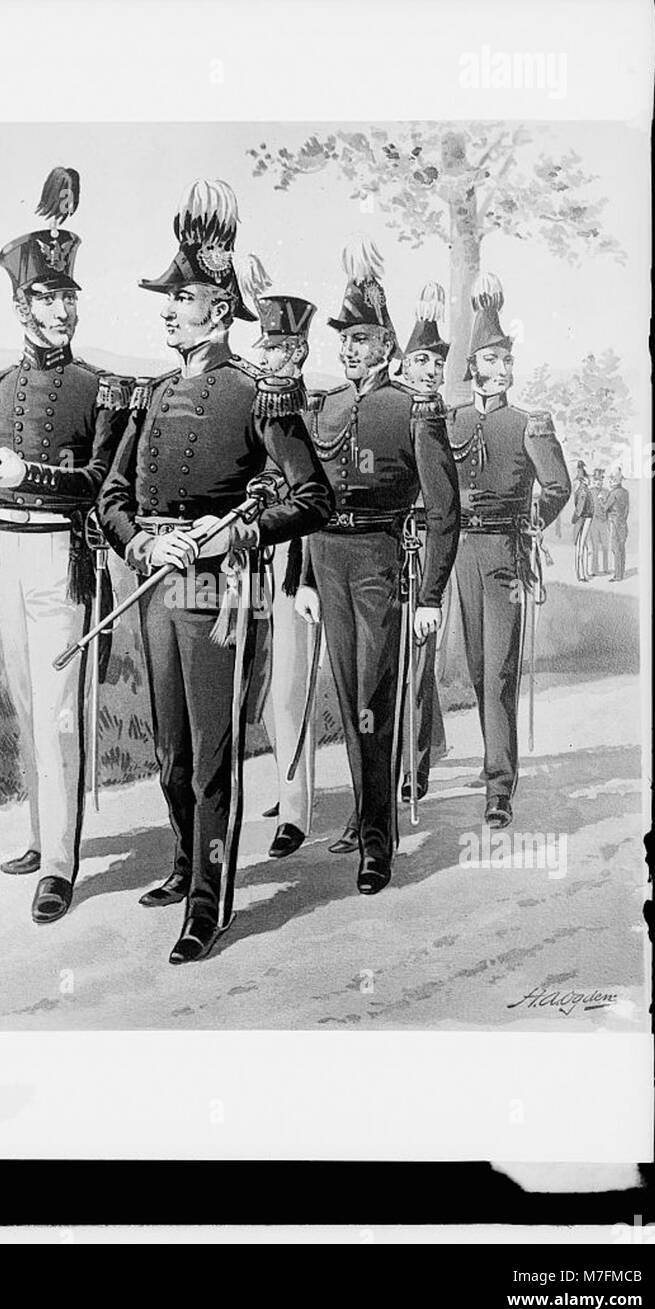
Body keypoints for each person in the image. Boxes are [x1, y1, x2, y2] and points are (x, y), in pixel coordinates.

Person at [97, 179, 333, 964]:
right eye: (168, 297)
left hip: (221, 586)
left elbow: (312, 497)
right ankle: (182, 862)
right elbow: (113, 497)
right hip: (154, 583)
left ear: (221, 308)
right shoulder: (153, 392)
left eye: (185, 296)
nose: (169, 309)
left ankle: (209, 901)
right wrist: (139, 544)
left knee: (211, 751)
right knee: (168, 748)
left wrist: (225, 538)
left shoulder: (258, 396)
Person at [0, 166, 133, 925]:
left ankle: (60, 863)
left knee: (60, 714)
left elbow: (97, 481)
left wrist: (34, 472)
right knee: (27, 706)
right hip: (3, 551)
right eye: (48, 298)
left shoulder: (101, 388)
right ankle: (38, 835)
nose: (62, 311)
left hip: (63, 555)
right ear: (20, 305)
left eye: (69, 297)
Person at [293, 239, 459, 893]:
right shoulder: (325, 406)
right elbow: (308, 499)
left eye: (364, 338)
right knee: (345, 692)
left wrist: (432, 596)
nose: (352, 349)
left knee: (372, 698)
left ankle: (376, 843)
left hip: (380, 558)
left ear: (387, 345)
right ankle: (368, 813)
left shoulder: (413, 408)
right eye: (346, 337)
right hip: (327, 556)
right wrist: (304, 577)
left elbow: (445, 511)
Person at [448, 272, 571, 829]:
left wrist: (532, 525)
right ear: (473, 366)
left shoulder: (530, 424)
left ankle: (500, 786)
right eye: (490, 361)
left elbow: (560, 488)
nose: (500, 372)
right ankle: (490, 757)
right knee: (476, 669)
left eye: (507, 363)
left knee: (499, 672)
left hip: (505, 555)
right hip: (460, 554)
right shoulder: (452, 421)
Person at [250, 289, 320, 859]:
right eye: (263, 345)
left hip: (296, 560)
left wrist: (312, 581)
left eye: (274, 347)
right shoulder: (254, 404)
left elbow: (319, 502)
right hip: (249, 557)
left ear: (296, 352)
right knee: (257, 688)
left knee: (289, 690)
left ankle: (295, 812)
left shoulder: (314, 412)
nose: (264, 356)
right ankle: (282, 785)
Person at [393, 282, 453, 806]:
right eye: (422, 361)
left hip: (419, 554)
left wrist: (432, 591)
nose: (431, 371)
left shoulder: (433, 415)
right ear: (402, 365)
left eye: (437, 363)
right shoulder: (391, 409)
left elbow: (444, 511)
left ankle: (414, 765)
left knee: (417, 660)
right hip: (380, 553)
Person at [602, 466, 630, 582]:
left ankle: (617, 576)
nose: (610, 481)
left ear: (615, 481)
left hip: (614, 523)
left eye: (611, 479)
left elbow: (605, 507)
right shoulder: (625, 492)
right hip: (623, 523)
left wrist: (600, 500)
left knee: (616, 549)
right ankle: (621, 573)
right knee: (622, 549)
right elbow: (627, 509)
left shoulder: (613, 493)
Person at [571, 459, 593, 582]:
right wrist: (575, 517)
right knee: (581, 546)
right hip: (584, 516)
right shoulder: (582, 487)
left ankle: (582, 573)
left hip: (585, 516)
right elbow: (580, 505)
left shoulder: (581, 486)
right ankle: (581, 574)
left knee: (583, 546)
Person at [587, 466, 610, 576]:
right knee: (595, 546)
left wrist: (603, 501)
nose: (598, 482)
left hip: (604, 522)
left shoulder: (606, 492)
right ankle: (594, 570)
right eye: (596, 480)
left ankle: (606, 568)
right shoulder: (589, 492)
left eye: (600, 480)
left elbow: (609, 508)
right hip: (593, 522)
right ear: (593, 480)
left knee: (605, 546)